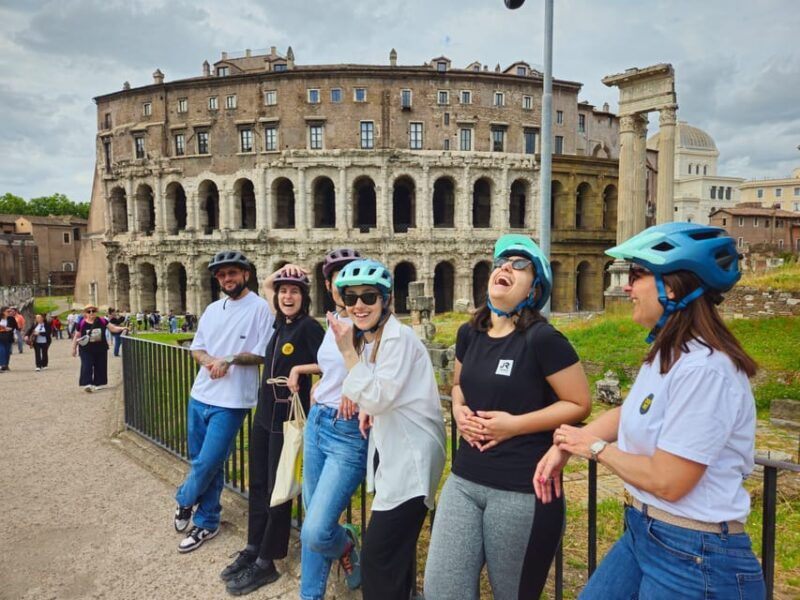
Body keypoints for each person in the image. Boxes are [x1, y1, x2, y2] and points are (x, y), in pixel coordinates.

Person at [534, 222, 766, 599]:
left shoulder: (706, 370)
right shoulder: (670, 355)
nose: (626, 286)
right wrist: (567, 442)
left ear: (671, 287)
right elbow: (632, 412)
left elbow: (669, 481)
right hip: (646, 532)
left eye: (637, 274)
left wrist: (593, 449)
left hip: (696, 556)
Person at [423, 234, 592, 600]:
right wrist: (458, 409)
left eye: (519, 265)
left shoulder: (542, 339)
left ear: (535, 289)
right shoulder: (470, 333)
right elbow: (457, 384)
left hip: (521, 488)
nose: (506, 267)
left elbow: (579, 403)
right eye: (502, 262)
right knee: (441, 590)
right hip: (465, 481)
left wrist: (513, 425)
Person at [328, 258, 446, 600]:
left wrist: (347, 351)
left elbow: (378, 396)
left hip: (411, 460)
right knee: (395, 556)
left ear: (386, 300)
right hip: (397, 456)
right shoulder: (377, 339)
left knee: (379, 560)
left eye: (369, 297)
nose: (359, 306)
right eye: (351, 299)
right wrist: (368, 408)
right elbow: (380, 393)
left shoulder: (397, 339)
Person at [223, 265, 325, 596]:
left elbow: (330, 362)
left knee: (279, 490)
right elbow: (266, 284)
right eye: (283, 291)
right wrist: (282, 272)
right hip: (266, 412)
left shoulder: (309, 327)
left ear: (304, 297)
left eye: (294, 291)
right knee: (259, 482)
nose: (286, 295)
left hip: (288, 415)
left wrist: (299, 368)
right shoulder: (279, 322)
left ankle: (268, 560)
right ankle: (253, 546)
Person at [174, 250, 274, 554]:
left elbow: (262, 353)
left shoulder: (260, 309)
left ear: (245, 274)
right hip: (199, 394)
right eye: (221, 274)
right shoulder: (213, 309)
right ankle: (207, 521)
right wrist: (209, 361)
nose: (226, 279)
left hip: (232, 401)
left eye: (232, 273)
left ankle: (183, 499)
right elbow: (198, 348)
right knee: (206, 463)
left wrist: (229, 359)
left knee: (208, 460)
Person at [294, 248, 367, 600]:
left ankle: (345, 543)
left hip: (348, 431)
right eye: (336, 274)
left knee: (316, 530)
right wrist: (312, 377)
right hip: (318, 422)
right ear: (328, 283)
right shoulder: (334, 319)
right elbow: (332, 363)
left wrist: (355, 387)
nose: (343, 279)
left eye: (350, 272)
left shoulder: (372, 322)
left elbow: (381, 377)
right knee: (312, 520)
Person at [71, 304, 128, 392]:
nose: (91, 313)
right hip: (86, 349)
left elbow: (112, 328)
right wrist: (73, 348)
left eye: (93, 311)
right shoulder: (81, 323)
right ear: (85, 313)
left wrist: (123, 328)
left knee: (100, 365)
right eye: (89, 311)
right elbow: (77, 336)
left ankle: (99, 383)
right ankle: (87, 383)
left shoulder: (102, 320)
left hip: (100, 348)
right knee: (87, 365)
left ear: (96, 312)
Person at [0, 306, 19, 371]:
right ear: (3, 312)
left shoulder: (11, 318)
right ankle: (2, 365)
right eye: (8, 311)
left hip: (9, 336)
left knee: (7, 351)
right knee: (2, 350)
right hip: (0, 336)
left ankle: (6, 365)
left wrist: (15, 335)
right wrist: (3, 328)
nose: (10, 313)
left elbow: (16, 327)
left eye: (10, 311)